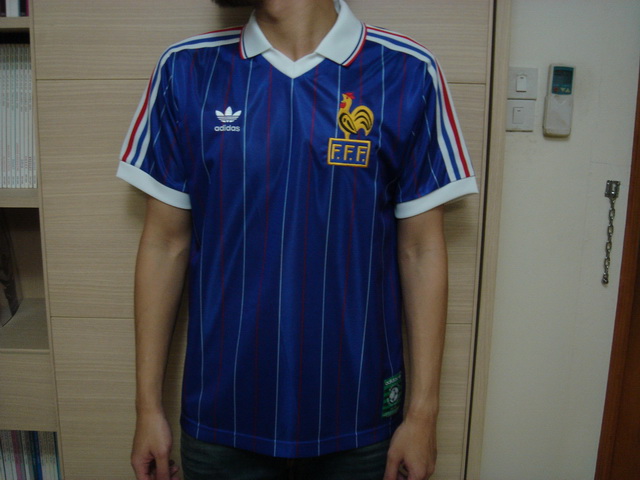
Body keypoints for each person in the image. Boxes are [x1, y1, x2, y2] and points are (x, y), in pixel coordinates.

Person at [117, 0, 477, 479]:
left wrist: (423, 415)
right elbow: (166, 244)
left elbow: (421, 250)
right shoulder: (186, 71)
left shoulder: (407, 72)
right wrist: (147, 408)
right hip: (221, 418)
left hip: (361, 422)